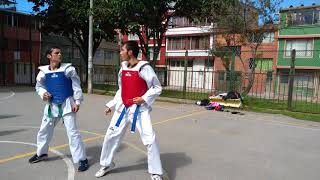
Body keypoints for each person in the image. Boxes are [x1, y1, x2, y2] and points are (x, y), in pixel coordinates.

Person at [95, 41, 163, 180]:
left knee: (150, 140)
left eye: (122, 50)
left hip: (139, 110)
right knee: (110, 136)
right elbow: (122, 89)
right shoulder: (123, 68)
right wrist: (111, 105)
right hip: (122, 109)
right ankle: (106, 164)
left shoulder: (144, 68)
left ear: (130, 52)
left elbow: (157, 87)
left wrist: (144, 98)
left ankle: (155, 172)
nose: (120, 53)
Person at [28, 46, 89, 172]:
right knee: (44, 130)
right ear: (49, 56)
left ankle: (82, 159)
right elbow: (39, 87)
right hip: (51, 106)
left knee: (72, 133)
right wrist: (43, 93)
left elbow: (76, 86)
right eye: (57, 53)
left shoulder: (68, 69)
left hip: (67, 104)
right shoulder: (43, 72)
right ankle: (42, 153)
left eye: (60, 52)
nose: (60, 54)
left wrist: (77, 102)